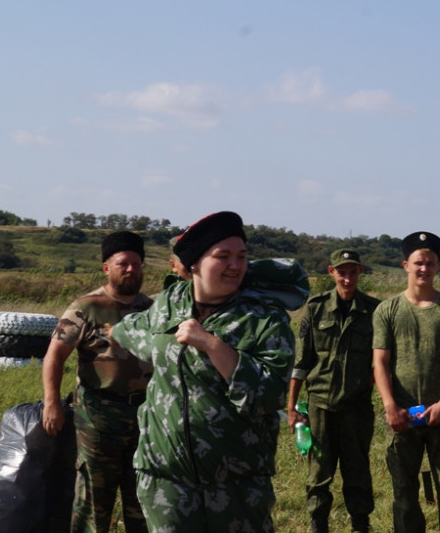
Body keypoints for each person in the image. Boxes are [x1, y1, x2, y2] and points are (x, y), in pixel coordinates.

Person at [110, 211, 310, 531]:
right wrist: (115, 333)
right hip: (165, 481)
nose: (235, 265)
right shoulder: (172, 301)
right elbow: (137, 330)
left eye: (241, 256)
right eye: (223, 256)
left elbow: (268, 395)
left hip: (235, 487)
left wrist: (211, 345)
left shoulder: (264, 319)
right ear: (193, 265)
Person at [41, 230, 152, 533]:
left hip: (145, 418)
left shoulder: (152, 309)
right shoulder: (86, 307)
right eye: (123, 263)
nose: (131, 269)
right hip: (99, 418)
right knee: (93, 497)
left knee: (143, 496)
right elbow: (55, 356)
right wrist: (52, 403)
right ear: (107, 267)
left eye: (137, 263)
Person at [372, 231, 440, 533]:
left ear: (438, 266)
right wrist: (390, 406)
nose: (424, 269)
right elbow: (380, 362)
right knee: (404, 494)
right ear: (406, 265)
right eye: (418, 262)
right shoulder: (388, 310)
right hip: (402, 417)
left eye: (430, 263)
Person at [287, 249, 380, 533]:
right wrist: (291, 407)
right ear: (331, 272)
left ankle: (360, 525)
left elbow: (380, 362)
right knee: (319, 473)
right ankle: (319, 525)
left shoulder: (373, 310)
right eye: (342, 272)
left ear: (360, 272)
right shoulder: (315, 308)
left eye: (353, 272)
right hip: (320, 405)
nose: (347, 278)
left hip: (357, 408)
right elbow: (302, 363)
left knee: (358, 472)